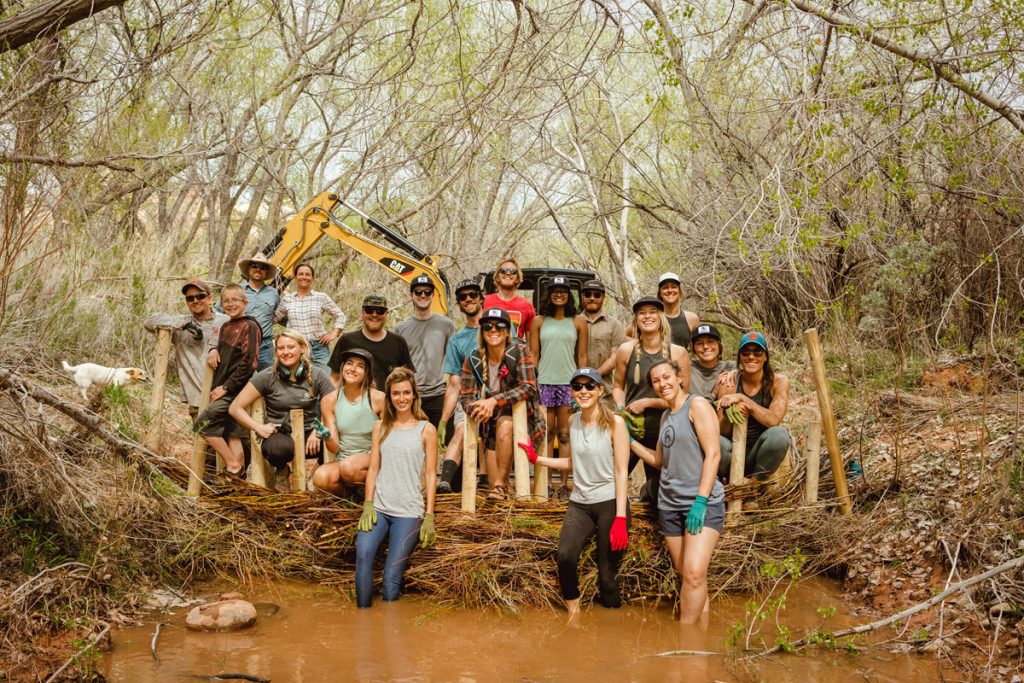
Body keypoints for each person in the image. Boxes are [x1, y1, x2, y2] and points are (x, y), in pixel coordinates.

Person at [521, 368, 630, 614]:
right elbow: (572, 463)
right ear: (572, 391)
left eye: (590, 386)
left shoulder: (616, 423)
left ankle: (613, 634)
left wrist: (621, 517)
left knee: (607, 576)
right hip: (580, 502)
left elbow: (622, 471)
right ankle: (574, 616)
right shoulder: (573, 421)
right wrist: (537, 459)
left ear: (600, 390)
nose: (584, 391)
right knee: (566, 556)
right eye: (578, 387)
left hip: (610, 502)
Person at [629, 358, 725, 625]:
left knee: (694, 573)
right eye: (656, 381)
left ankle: (686, 638)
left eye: (667, 377)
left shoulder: (697, 405)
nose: (662, 384)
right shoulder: (666, 416)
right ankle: (701, 638)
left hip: (700, 504)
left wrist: (701, 501)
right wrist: (629, 440)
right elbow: (660, 461)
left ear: (680, 378)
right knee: (688, 575)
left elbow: (714, 455)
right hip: (670, 506)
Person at [355, 367, 438, 608]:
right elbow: (373, 469)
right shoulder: (380, 427)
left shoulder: (426, 429)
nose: (401, 398)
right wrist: (368, 504)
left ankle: (389, 630)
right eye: (395, 393)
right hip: (379, 507)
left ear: (414, 395)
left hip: (409, 512)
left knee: (391, 579)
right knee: (363, 557)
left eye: (406, 393)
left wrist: (430, 516)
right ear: (389, 397)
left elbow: (431, 475)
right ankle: (363, 621)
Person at [228, 329, 335, 484]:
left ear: (302, 348)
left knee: (336, 440)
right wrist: (258, 427)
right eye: (281, 348)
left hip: (311, 435)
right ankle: (282, 469)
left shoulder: (317, 375)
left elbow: (334, 406)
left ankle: (316, 475)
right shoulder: (267, 376)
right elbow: (235, 408)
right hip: (281, 435)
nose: (285, 352)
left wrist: (319, 430)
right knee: (276, 450)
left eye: (291, 347)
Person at [459, 307, 545, 501]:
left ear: (507, 331)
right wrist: (478, 408)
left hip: (527, 422)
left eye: (500, 326)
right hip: (490, 427)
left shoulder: (519, 350)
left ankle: (501, 487)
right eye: (488, 326)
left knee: (505, 424)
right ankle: (499, 493)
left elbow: (528, 387)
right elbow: (465, 397)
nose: (493, 330)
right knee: (494, 489)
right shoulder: (473, 359)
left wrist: (494, 400)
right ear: (482, 330)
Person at [612, 297, 689, 500]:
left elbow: (683, 398)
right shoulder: (625, 351)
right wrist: (621, 410)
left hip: (663, 429)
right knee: (612, 481)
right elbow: (618, 386)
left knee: (660, 491)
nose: (647, 316)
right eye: (642, 313)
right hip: (632, 428)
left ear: (661, 317)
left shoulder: (677, 353)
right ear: (636, 319)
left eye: (652, 312)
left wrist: (648, 402)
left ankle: (647, 493)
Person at [192, 284, 261, 476]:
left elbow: (250, 362)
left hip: (237, 390)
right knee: (233, 434)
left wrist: (226, 387)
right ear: (221, 305)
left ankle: (233, 465)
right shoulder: (226, 326)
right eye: (226, 301)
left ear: (245, 302)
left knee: (202, 424)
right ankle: (235, 482)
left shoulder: (250, 326)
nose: (230, 304)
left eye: (235, 300)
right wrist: (214, 349)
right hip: (223, 387)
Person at [529, 276, 588, 498]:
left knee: (564, 434)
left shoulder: (578, 322)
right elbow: (534, 355)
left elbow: (582, 356)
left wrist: (582, 384)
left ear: (569, 294)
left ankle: (564, 484)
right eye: (554, 290)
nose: (559, 294)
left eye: (563, 290)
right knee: (546, 432)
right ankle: (546, 482)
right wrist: (532, 381)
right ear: (549, 294)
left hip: (568, 383)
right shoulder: (539, 321)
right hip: (544, 382)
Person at [144, 279, 229, 419]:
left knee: (234, 440)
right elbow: (149, 322)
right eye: (190, 298)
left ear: (210, 298)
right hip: (197, 398)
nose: (195, 300)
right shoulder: (180, 324)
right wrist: (183, 324)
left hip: (224, 395)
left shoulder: (225, 321)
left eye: (200, 296)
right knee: (203, 438)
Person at [715, 331, 791, 483]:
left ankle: (753, 487)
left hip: (760, 454)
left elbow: (773, 420)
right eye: (746, 353)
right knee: (716, 442)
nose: (751, 357)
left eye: (757, 353)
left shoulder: (779, 382)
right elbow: (721, 431)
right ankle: (732, 481)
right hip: (732, 453)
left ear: (765, 357)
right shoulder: (729, 384)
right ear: (740, 357)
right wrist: (729, 416)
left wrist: (745, 400)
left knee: (779, 436)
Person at [311, 348, 385, 495]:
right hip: (344, 460)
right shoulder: (329, 400)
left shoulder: (378, 399)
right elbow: (334, 448)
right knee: (320, 477)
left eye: (360, 366)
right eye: (349, 363)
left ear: (367, 373)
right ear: (342, 367)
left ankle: (376, 492)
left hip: (374, 460)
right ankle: (355, 497)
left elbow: (390, 438)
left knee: (349, 467)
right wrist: (327, 437)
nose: (352, 369)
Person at [437, 278, 484, 494]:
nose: (468, 299)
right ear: (459, 303)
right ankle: (445, 482)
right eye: (463, 297)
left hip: (496, 395)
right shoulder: (457, 340)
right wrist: (443, 421)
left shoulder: (498, 326)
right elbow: (454, 384)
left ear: (481, 297)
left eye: (472, 294)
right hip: (468, 397)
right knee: (461, 430)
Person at [395, 275, 455, 428]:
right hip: (411, 396)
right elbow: (398, 366)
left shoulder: (446, 325)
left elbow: (455, 360)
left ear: (433, 295)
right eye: (418, 292)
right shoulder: (401, 329)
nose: (423, 295)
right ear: (411, 295)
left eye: (427, 292)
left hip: (439, 395)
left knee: (440, 445)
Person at [327, 295, 415, 390]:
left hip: (387, 402)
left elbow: (410, 378)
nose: (374, 315)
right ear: (362, 313)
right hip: (354, 402)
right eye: (369, 310)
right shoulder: (347, 340)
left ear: (386, 314)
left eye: (380, 311)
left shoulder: (398, 342)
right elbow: (334, 378)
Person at [273, 262, 346, 369]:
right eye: (301, 274)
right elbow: (274, 318)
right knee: (297, 382)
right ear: (296, 277)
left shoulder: (321, 297)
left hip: (318, 347)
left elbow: (340, 316)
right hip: (295, 348)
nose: (304, 277)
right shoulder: (288, 299)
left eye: (308, 274)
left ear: (312, 278)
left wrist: (333, 334)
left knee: (326, 380)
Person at [580, 279, 627, 398]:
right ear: (582, 297)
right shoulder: (572, 323)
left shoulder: (615, 325)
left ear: (603, 297)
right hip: (576, 391)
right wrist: (581, 380)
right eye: (587, 294)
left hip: (605, 392)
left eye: (596, 294)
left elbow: (615, 356)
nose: (592, 298)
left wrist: (593, 377)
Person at [234, 252, 281, 370]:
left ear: (266, 272)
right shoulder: (237, 290)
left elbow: (281, 315)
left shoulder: (273, 293)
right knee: (238, 379)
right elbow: (219, 312)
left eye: (263, 267)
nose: (258, 269)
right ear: (249, 269)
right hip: (240, 344)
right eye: (254, 266)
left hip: (265, 346)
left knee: (268, 379)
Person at [482, 257, 535, 339]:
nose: (508, 273)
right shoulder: (483, 301)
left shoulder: (527, 306)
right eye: (503, 270)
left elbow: (530, 343)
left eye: (513, 271)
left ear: (517, 279)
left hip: (514, 351)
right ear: (497, 277)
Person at [688, 324, 736, 401]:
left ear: (719, 345)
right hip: (694, 411)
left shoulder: (729, 366)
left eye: (710, 341)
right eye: (699, 343)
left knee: (728, 384)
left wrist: (736, 372)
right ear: (694, 349)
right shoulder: (687, 369)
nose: (705, 347)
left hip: (722, 410)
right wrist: (713, 394)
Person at [657, 272, 699, 349]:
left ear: (679, 292)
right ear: (660, 293)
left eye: (674, 287)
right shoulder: (653, 317)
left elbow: (698, 345)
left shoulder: (692, 318)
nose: (670, 290)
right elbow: (627, 334)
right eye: (665, 287)